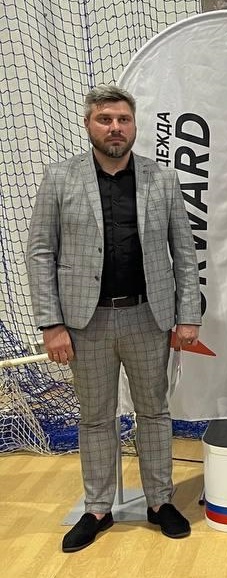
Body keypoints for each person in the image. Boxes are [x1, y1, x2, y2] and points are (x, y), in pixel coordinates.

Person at [26, 85, 202, 552]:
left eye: (123, 119)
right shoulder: (60, 178)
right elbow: (40, 254)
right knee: (96, 418)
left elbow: (184, 254)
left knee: (154, 413)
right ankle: (98, 508)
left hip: (148, 317)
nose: (115, 128)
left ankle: (160, 501)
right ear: (88, 125)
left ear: (134, 125)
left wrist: (188, 316)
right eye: (105, 119)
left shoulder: (161, 179)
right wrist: (51, 324)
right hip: (86, 324)